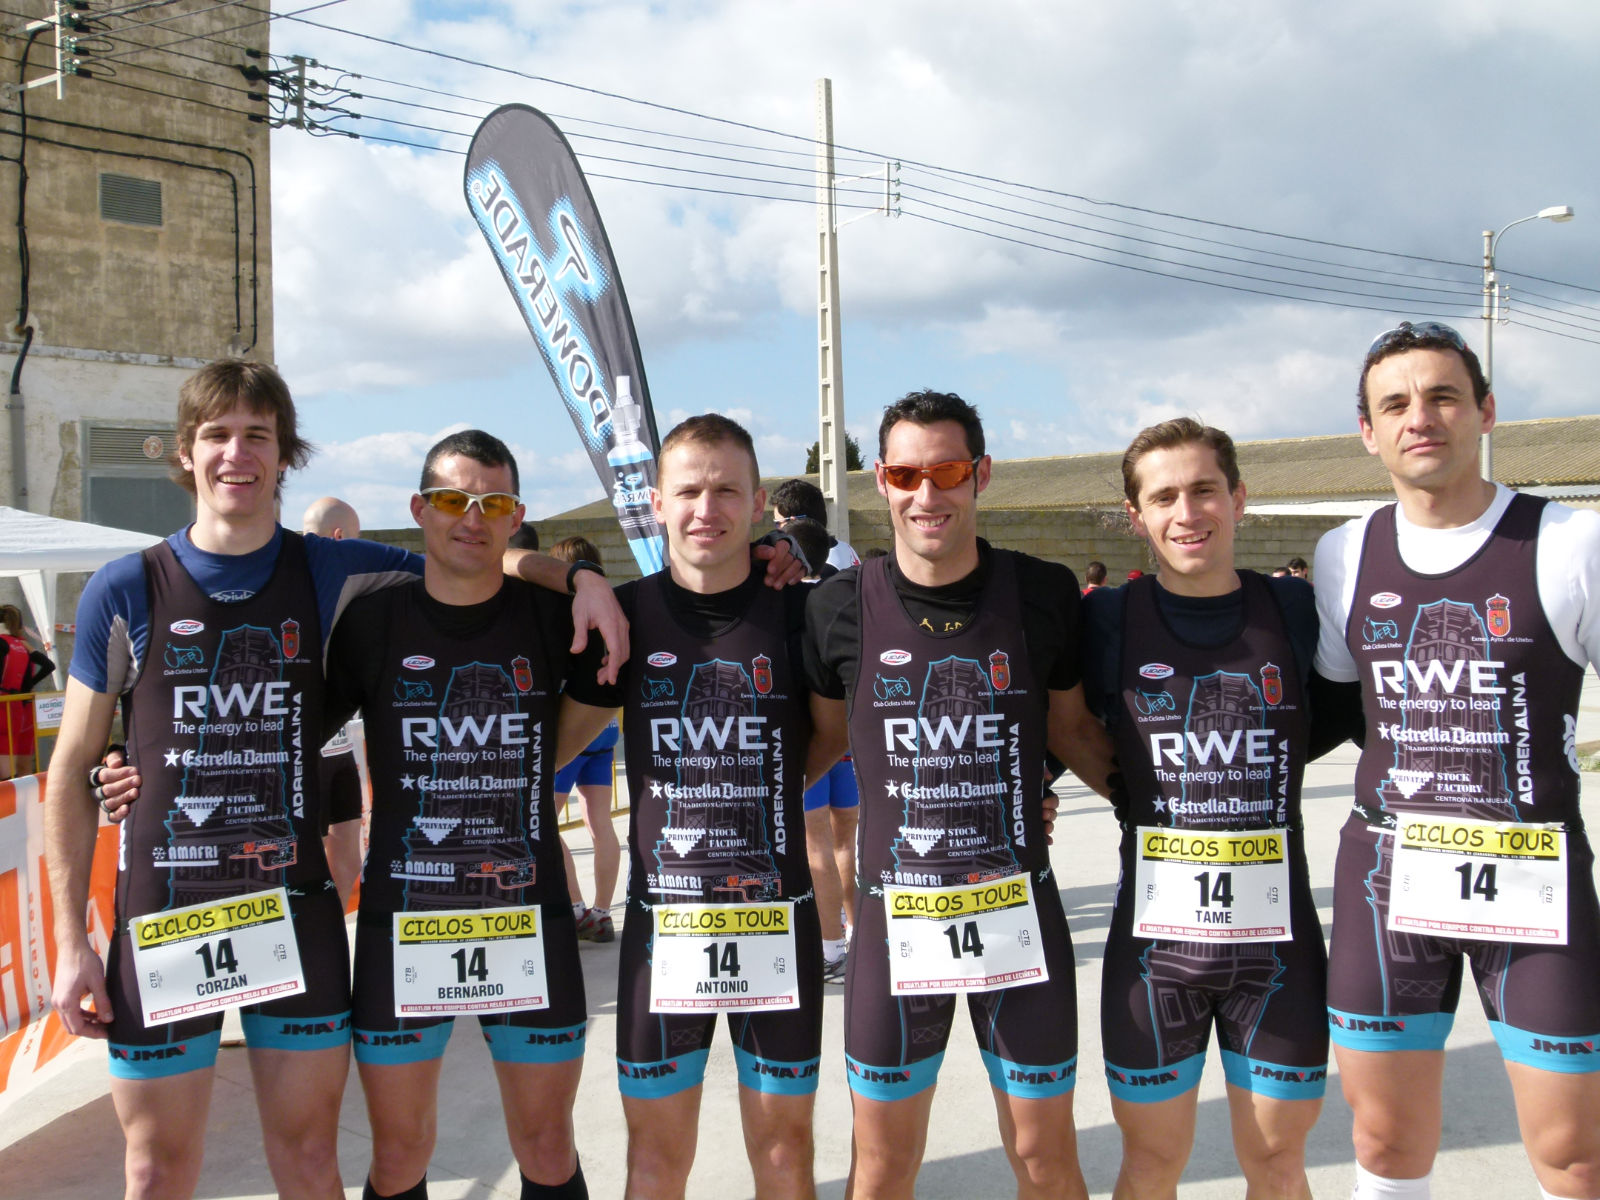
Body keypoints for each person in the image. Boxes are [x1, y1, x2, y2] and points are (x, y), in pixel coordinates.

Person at [43, 358, 627, 1200]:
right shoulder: (125, 587)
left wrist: (579, 576)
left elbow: (472, 554)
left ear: (285, 455)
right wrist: (72, 944)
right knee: (154, 1169)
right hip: (164, 915)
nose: (236, 454)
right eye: (217, 435)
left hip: (295, 911)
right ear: (185, 451)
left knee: (314, 1163)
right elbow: (69, 769)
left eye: (258, 436)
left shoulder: (334, 571)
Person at [804, 389, 1116, 1200]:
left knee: (1045, 1160)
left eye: (946, 471)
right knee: (882, 1168)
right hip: (895, 922)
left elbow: (1072, 730)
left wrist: (1165, 810)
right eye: (907, 475)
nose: (927, 494)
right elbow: (821, 743)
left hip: (1016, 916)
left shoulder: (1042, 592)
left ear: (981, 473)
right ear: (882, 480)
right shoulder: (837, 607)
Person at [1314, 320, 1600, 1200]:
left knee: (1574, 1154)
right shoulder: (1344, 553)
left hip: (1533, 874)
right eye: (1394, 404)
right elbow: (1340, 706)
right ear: (1368, 432)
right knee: (1385, 1140)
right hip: (1388, 882)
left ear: (1486, 410)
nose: (1420, 417)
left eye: (1443, 396)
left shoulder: (1570, 542)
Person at [1083, 418, 1358, 1199]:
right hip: (1154, 953)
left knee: (1278, 1163)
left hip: (1277, 953)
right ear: (1136, 516)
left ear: (1238, 498)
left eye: (1204, 490)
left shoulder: (1295, 609)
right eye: (1164, 496)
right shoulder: (1107, 620)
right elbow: (1051, 728)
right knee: (1151, 1164)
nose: (1187, 512)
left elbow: (1344, 717)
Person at [558, 415, 825, 1200]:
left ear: (758, 503)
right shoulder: (626, 616)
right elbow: (553, 745)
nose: (706, 509)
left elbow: (836, 737)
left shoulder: (803, 612)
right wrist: (576, 577)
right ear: (656, 502)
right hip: (664, 930)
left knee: (785, 1153)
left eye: (726, 490)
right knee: (653, 1159)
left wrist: (761, 785)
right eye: (688, 491)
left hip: (775, 918)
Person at [324, 430, 590, 1200]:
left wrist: (582, 580)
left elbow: (606, 693)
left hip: (527, 915)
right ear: (419, 509)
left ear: (516, 517)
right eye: (452, 499)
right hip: (406, 919)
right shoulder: (373, 622)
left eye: (493, 503)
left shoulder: (552, 617)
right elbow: (289, 736)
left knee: (547, 1146)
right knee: (400, 1153)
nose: (471, 518)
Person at [548, 535, 623, 945]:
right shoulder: (613, 606)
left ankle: (576, 907)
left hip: (574, 729)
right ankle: (601, 912)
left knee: (542, 819)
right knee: (600, 823)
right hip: (605, 728)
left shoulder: (565, 611)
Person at [300, 496, 367, 903]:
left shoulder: (344, 588)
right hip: (311, 751)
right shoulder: (303, 589)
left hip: (338, 747)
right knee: (306, 864)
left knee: (346, 859)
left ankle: (332, 934)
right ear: (340, 537)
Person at [0, 603, 54, 779]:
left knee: (7, 774)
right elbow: (48, 665)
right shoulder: (22, 644)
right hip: (21, 708)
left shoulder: (4, 643)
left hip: (5, 706)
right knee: (22, 770)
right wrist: (27, 688)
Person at [772, 477, 860, 572]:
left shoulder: (818, 570)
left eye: (778, 523)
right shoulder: (844, 548)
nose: (777, 530)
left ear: (794, 523)